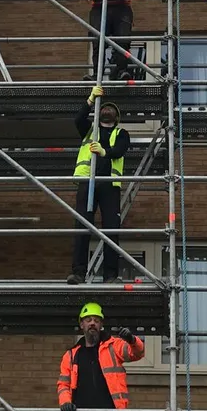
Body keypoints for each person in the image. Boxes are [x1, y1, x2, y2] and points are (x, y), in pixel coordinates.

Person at [68, 86, 128, 284]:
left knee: (111, 228)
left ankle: (110, 276)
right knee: (83, 227)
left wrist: (104, 152)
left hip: (109, 185)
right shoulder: (89, 130)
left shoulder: (121, 133)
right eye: (104, 108)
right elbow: (78, 119)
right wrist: (91, 100)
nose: (107, 110)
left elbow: (120, 150)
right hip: (88, 182)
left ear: (116, 117)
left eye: (112, 109)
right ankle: (78, 273)